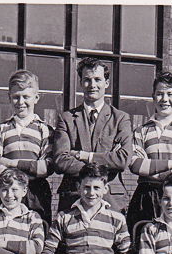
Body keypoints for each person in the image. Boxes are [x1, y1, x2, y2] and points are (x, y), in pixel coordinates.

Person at [52, 57, 133, 213]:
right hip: (73, 195)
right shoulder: (67, 118)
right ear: (81, 83)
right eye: (87, 80)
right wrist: (105, 161)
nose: (92, 85)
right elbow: (60, 160)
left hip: (111, 198)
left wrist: (86, 156)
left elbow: (123, 159)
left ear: (106, 83)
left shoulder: (120, 118)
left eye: (97, 79)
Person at [126, 71, 172, 235]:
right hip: (146, 197)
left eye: (169, 94)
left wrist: (152, 171)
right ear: (153, 97)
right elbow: (136, 165)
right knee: (142, 241)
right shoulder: (140, 132)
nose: (164, 99)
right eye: (159, 94)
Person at [0, 70, 54, 225]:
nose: (21, 101)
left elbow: (45, 167)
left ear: (36, 98)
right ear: (9, 97)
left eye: (26, 96)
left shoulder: (45, 130)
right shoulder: (2, 129)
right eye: (16, 97)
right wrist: (15, 179)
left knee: (37, 229)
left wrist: (10, 163)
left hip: (35, 193)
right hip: (7, 190)